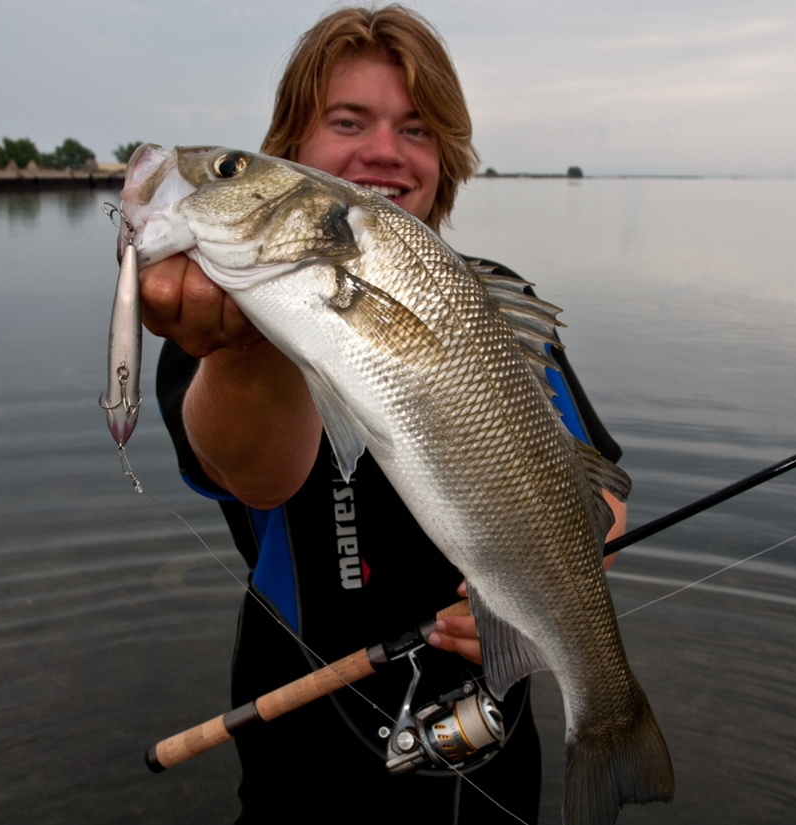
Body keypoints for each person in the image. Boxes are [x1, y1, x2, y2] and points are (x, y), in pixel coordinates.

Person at [139, 6, 625, 823]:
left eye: (418, 130)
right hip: (302, 763)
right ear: (291, 148)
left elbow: (598, 503)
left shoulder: (492, 306)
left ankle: (611, 725)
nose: (385, 153)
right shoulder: (220, 318)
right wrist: (246, 349)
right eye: (348, 121)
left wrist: (531, 600)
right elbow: (256, 476)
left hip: (487, 744)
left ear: (448, 160)